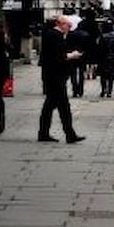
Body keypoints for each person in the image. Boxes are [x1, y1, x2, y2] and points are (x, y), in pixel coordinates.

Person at [38, 15, 85, 144]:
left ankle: (51, 133)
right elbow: (59, 57)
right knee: (60, 107)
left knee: (55, 106)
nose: (69, 28)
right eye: (68, 26)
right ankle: (67, 134)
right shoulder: (55, 36)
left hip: (53, 76)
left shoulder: (52, 35)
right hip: (55, 77)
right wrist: (72, 55)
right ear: (60, 24)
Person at [97, 20, 114, 98]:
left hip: (103, 57)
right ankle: (110, 91)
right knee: (111, 75)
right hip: (113, 57)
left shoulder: (102, 36)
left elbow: (100, 48)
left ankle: (103, 89)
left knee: (103, 75)